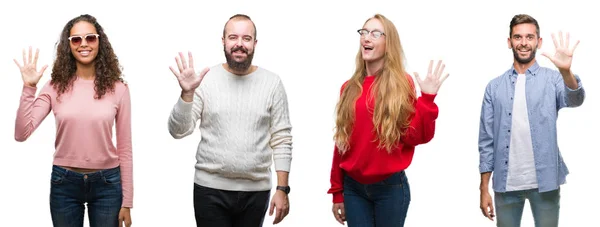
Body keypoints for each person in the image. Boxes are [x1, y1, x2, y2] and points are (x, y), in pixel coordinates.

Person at [167, 14, 293, 227]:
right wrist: (186, 94)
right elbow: (178, 131)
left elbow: (282, 139)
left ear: (255, 43)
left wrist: (282, 189)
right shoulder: (205, 80)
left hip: (256, 191)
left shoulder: (272, 83)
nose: (239, 44)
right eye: (233, 37)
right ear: (223, 41)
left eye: (246, 38)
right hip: (209, 190)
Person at [327, 14, 449, 227]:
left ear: (388, 43)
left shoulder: (401, 84)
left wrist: (427, 100)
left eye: (375, 33)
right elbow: (342, 143)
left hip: (390, 189)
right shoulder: (348, 88)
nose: (366, 38)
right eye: (364, 32)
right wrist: (337, 191)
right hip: (353, 189)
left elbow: (416, 137)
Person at [13, 14, 133, 227]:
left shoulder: (119, 89)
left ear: (99, 42)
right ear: (68, 45)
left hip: (108, 184)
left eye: (90, 38)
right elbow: (22, 133)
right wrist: (29, 88)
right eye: (76, 39)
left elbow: (125, 147)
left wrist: (128, 200)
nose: (83, 44)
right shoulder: (54, 86)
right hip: (64, 183)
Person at [478, 14, 585, 227]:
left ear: (539, 41)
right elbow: (486, 141)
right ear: (509, 42)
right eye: (518, 37)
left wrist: (566, 72)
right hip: (506, 186)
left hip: (546, 183)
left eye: (529, 37)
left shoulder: (553, 78)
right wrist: (484, 188)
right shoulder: (494, 87)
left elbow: (576, 99)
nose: (524, 43)